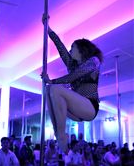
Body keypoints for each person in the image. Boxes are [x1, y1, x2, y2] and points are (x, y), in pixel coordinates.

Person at [41, 14, 103, 153]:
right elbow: (60, 47)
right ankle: (58, 133)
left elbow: (74, 76)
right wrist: (48, 28)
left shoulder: (94, 61)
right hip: (75, 112)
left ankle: (61, 135)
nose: (70, 50)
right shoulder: (72, 64)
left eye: (72, 48)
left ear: (81, 50)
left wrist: (52, 80)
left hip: (89, 107)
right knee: (49, 89)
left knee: (55, 88)